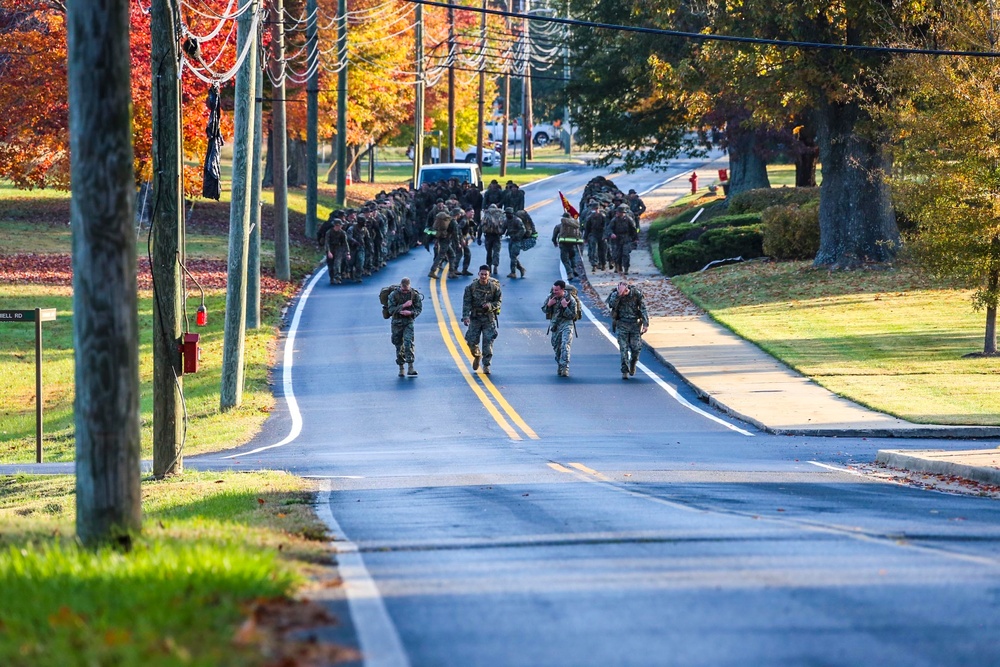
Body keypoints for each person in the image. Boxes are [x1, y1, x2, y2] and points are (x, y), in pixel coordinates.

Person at [462, 265, 502, 375]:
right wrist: (465, 317)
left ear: (489, 275)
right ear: (478, 274)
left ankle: (486, 365)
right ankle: (477, 355)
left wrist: (490, 305)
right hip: (475, 318)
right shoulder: (471, 287)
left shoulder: (494, 288)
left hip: (488, 319)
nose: (483, 276)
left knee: (488, 342)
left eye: (486, 274)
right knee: (471, 341)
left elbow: (498, 302)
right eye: (482, 274)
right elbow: (466, 303)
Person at [607, 281, 649, 379]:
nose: (624, 293)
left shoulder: (636, 293)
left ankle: (633, 362)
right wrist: (618, 295)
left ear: (627, 289)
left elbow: (643, 308)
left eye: (625, 291)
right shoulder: (615, 295)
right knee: (623, 348)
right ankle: (624, 370)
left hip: (634, 324)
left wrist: (646, 324)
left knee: (636, 348)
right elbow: (611, 305)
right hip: (622, 324)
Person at [387, 278, 422, 377]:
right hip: (396, 323)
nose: (405, 291)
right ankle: (401, 367)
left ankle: (411, 367)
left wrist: (410, 312)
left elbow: (419, 308)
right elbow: (391, 310)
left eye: (407, 290)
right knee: (398, 345)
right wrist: (403, 306)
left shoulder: (414, 295)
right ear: (400, 286)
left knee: (408, 343)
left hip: (408, 322)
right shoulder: (393, 295)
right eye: (403, 290)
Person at [542, 279, 578, 377]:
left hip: (567, 325)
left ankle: (565, 367)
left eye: (557, 290)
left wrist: (565, 307)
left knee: (565, 346)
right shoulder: (551, 297)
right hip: (555, 326)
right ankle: (560, 364)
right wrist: (549, 305)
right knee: (556, 348)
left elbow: (573, 316)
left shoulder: (571, 300)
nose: (555, 292)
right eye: (554, 290)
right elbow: (544, 310)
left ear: (562, 290)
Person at [606, 205, 638, 275]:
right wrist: (611, 234)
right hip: (617, 239)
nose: (618, 214)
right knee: (617, 254)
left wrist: (635, 238)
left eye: (619, 212)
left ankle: (626, 268)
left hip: (626, 238)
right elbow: (609, 228)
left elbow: (633, 229)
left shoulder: (629, 219)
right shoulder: (614, 220)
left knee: (625, 254)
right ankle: (618, 266)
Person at [552, 214, 584, 280]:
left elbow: (554, 236)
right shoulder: (574, 225)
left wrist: (555, 242)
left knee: (565, 260)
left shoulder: (559, 226)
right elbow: (579, 234)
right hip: (573, 243)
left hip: (563, 244)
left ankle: (569, 273)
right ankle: (574, 268)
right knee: (572, 257)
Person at [479, 203, 505, 275]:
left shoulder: (486, 214)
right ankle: (495, 266)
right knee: (496, 252)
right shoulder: (500, 214)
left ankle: (489, 265)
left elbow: (481, 226)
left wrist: (479, 238)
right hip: (497, 236)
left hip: (488, 236)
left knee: (489, 252)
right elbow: (504, 225)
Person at [503, 207, 527, 279]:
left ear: (512, 213)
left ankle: (513, 272)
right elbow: (503, 229)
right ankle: (521, 268)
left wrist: (517, 236)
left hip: (517, 240)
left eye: (508, 213)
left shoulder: (517, 220)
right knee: (512, 256)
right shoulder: (506, 221)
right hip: (511, 239)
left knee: (513, 256)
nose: (507, 215)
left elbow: (523, 230)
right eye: (506, 213)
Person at [324, 219, 350, 285]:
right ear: (335, 225)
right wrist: (328, 251)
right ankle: (332, 278)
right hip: (331, 248)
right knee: (330, 265)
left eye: (340, 225)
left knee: (337, 263)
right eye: (338, 225)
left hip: (339, 249)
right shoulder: (329, 232)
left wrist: (348, 252)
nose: (339, 227)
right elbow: (327, 242)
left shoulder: (342, 233)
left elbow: (345, 243)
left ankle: (338, 277)